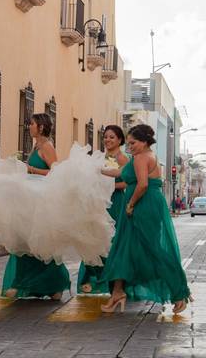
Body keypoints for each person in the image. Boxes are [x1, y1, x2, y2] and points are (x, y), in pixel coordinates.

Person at [99, 124, 191, 314]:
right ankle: (117, 292)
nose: (129, 146)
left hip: (142, 206)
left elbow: (141, 185)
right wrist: (98, 171)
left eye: (132, 143)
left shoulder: (141, 157)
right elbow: (122, 173)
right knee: (123, 248)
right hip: (144, 205)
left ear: (144, 141)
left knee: (152, 250)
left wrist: (131, 204)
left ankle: (179, 291)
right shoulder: (144, 156)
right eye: (129, 143)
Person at [0, 113, 71, 300]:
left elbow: (55, 172)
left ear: (40, 127)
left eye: (31, 123)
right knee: (26, 242)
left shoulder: (47, 146)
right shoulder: (35, 146)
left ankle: (53, 284)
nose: (28, 126)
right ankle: (25, 283)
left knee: (40, 243)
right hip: (29, 201)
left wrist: (30, 169)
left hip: (41, 201)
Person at [77, 125, 129, 294]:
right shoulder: (99, 157)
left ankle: (114, 282)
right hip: (98, 201)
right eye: (105, 137)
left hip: (115, 202)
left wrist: (109, 186)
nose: (107, 140)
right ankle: (92, 278)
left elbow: (127, 182)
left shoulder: (123, 159)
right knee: (94, 237)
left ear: (120, 140)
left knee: (111, 240)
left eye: (112, 137)